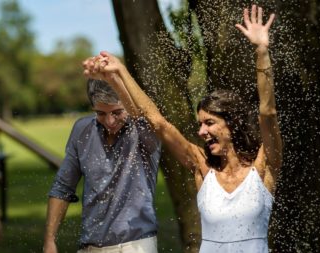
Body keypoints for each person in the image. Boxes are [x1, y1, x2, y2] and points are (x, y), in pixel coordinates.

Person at [83, 4, 282, 253]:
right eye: (200, 124)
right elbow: (158, 123)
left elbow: (267, 113)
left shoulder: (263, 167)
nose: (201, 132)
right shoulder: (202, 167)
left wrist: (262, 51)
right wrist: (121, 72)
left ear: (233, 124)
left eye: (210, 123)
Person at [43, 79, 161, 253]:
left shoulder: (143, 129)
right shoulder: (82, 130)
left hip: (136, 244)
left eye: (117, 112)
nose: (110, 121)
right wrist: (50, 240)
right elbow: (62, 187)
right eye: (100, 113)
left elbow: (153, 120)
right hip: (91, 244)